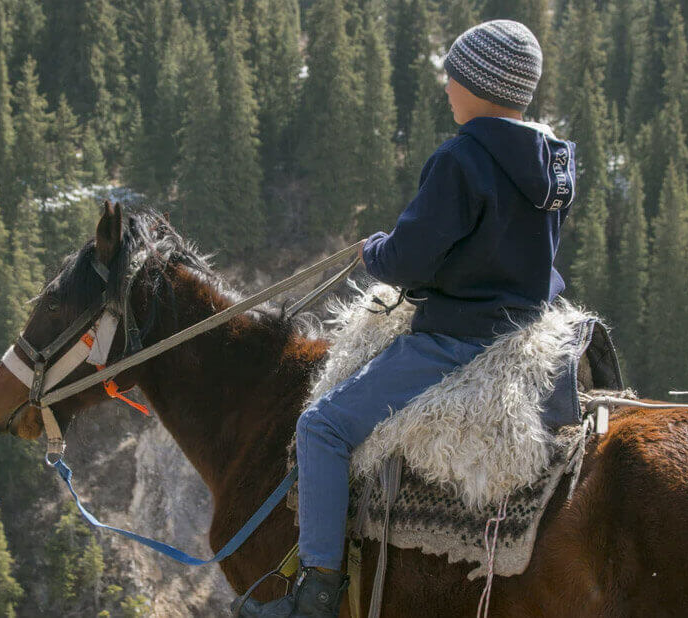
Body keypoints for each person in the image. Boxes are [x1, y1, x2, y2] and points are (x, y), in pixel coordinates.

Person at [237, 19, 577, 618]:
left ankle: (315, 593)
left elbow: (407, 262)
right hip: (527, 327)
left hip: (459, 339)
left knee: (321, 427)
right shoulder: (551, 159)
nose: (446, 84)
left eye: (455, 73)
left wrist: (374, 250)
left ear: (480, 83)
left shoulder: (462, 159)